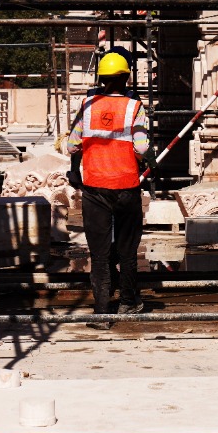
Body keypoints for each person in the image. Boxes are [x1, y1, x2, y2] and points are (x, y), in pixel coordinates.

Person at [66, 51, 149, 325]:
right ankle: (128, 303)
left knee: (99, 254)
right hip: (126, 187)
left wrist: (79, 166)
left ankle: (101, 313)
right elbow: (142, 147)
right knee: (127, 250)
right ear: (126, 77)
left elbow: (71, 145)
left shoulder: (88, 106)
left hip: (94, 188)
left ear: (101, 78)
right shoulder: (134, 107)